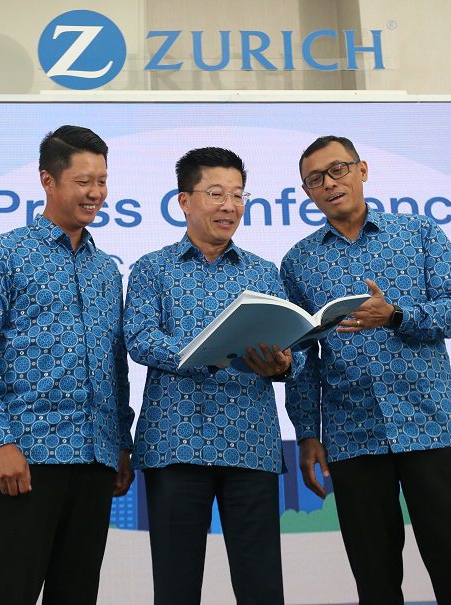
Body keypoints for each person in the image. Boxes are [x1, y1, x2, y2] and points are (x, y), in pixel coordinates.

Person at [281, 135, 451, 604]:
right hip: (351, 434)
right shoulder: (298, 262)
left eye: (338, 169)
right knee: (375, 581)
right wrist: (307, 433)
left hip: (429, 425)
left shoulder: (419, 233)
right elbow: (304, 356)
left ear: (362, 170)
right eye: (315, 179)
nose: (329, 183)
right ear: (307, 192)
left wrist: (396, 315)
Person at [0, 125, 134, 604]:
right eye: (83, 181)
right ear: (47, 180)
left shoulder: (105, 269)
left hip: (95, 461)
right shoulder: (1, 254)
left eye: (102, 181)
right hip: (26, 457)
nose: (96, 193)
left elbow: (115, 365)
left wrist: (121, 443)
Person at [124, 147, 302, 605]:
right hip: (175, 444)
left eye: (238, 195)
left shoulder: (264, 273)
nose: (230, 206)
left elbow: (297, 352)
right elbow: (140, 338)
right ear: (184, 201)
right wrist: (206, 354)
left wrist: (284, 364)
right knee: (176, 587)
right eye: (217, 194)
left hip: (251, 445)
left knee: (262, 588)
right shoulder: (152, 268)